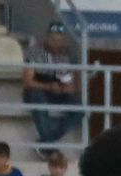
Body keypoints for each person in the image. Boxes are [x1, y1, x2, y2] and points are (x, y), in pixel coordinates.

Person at [21, 22, 82, 153]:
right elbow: (27, 82)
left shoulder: (70, 55)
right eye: (53, 39)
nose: (56, 43)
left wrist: (67, 88)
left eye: (60, 40)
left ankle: (46, 142)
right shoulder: (34, 51)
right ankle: (49, 145)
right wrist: (49, 86)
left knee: (80, 108)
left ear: (65, 40)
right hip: (38, 89)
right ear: (46, 38)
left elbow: (76, 85)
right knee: (37, 98)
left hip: (60, 91)